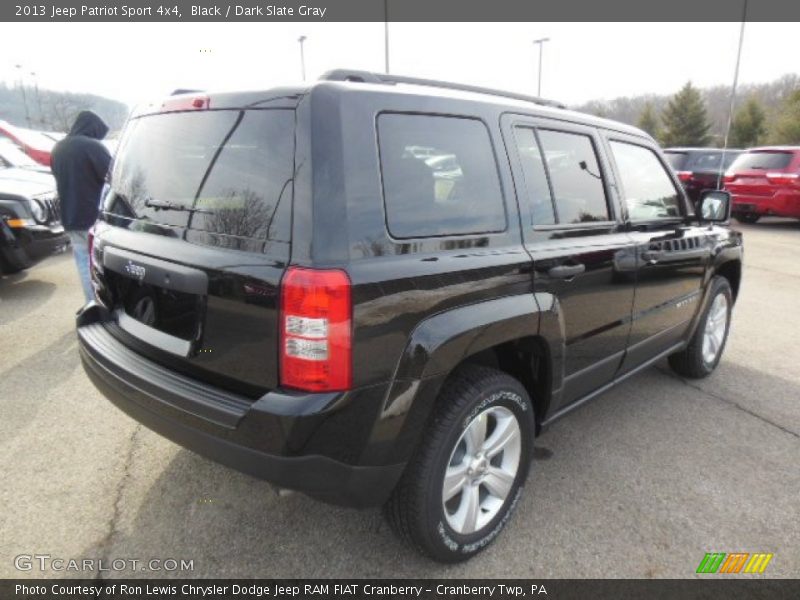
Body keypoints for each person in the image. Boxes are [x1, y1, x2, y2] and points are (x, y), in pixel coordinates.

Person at [51, 111, 111, 302]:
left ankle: (90, 303)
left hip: (69, 216)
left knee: (83, 262)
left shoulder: (58, 148)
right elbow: (113, 177)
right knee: (100, 264)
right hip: (93, 217)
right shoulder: (93, 147)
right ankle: (101, 306)